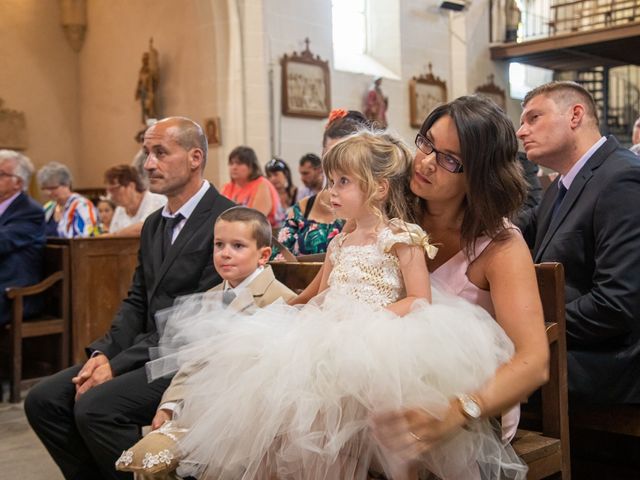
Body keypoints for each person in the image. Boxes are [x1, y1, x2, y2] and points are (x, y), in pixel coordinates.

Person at [137, 130, 530, 480]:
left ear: (378, 188)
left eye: (343, 182)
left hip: (379, 338)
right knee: (280, 396)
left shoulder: (400, 237)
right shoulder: (340, 241)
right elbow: (319, 290)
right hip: (331, 332)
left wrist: (370, 323)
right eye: (330, 182)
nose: (330, 192)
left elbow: (418, 298)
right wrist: (291, 311)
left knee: (373, 414)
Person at [293, 97, 549, 477]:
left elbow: (533, 362)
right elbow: (321, 290)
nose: (426, 161)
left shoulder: (500, 246)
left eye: (449, 159)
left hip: (458, 404)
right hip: (366, 385)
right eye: (426, 142)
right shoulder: (382, 212)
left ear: (479, 174)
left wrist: (458, 411)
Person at [24, 116, 235, 480]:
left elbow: (197, 316)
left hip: (189, 356)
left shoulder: (226, 219)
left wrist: (117, 366)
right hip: (146, 350)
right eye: (146, 153)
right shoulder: (155, 222)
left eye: (160, 153)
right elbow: (137, 299)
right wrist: (103, 353)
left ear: (195, 157)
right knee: (44, 401)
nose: (148, 164)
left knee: (96, 407)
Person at [115, 206, 296, 477]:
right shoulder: (210, 296)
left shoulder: (280, 300)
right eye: (219, 245)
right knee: (149, 464)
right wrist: (170, 405)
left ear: (264, 255)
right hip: (199, 404)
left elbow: (282, 375)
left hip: (248, 417)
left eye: (237, 246)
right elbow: (191, 361)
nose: (224, 253)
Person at [516, 81, 640, 403]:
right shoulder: (561, 186)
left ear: (575, 115)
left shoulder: (622, 178)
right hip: (574, 343)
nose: (521, 131)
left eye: (533, 118)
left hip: (611, 358)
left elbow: (616, 303)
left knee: (484, 369)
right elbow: (512, 234)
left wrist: (531, 326)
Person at [270, 110, 369, 260]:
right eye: (329, 154)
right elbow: (277, 262)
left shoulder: (371, 211)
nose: (335, 163)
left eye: (343, 155)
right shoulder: (302, 209)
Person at [0, 150, 45, 326]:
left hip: (14, 293)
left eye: (1, 174)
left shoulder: (29, 211)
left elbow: (3, 242)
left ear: (18, 183)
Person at [221, 146, 281, 228]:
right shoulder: (227, 187)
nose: (234, 167)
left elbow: (256, 220)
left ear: (252, 166)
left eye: (239, 163)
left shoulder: (262, 184)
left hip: (264, 234)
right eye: (231, 163)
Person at [37, 162, 99, 238]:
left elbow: (88, 236)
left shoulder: (82, 205)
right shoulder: (48, 207)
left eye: (53, 188)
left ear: (67, 184)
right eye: (44, 189)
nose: (48, 192)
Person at [103, 164, 166, 236]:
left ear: (131, 186)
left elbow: (145, 228)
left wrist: (115, 235)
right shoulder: (120, 209)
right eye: (109, 191)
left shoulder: (156, 201)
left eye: (114, 189)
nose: (111, 196)